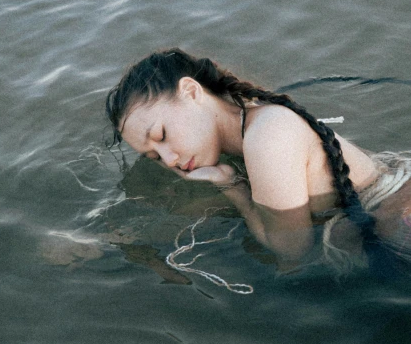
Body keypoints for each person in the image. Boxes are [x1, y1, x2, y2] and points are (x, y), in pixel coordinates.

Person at [105, 48, 411, 275]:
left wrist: (231, 185)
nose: (169, 158)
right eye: (154, 156)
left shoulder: (266, 138)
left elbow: (292, 249)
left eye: (161, 135)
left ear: (191, 91)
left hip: (398, 222)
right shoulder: (257, 115)